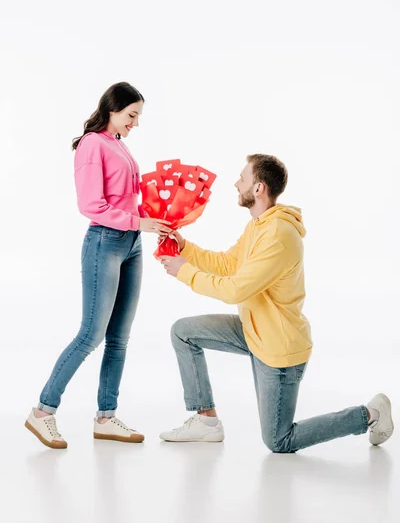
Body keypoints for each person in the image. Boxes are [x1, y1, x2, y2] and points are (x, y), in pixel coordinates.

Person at [158, 154, 394, 451]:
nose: (236, 183)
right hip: (253, 331)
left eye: (242, 178)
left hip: (278, 349)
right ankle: (206, 422)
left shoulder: (279, 235)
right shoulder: (258, 225)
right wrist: (185, 248)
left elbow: (235, 290)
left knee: (279, 440)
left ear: (258, 188)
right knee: (183, 331)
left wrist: (185, 272)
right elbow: (229, 263)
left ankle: (370, 414)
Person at [25, 82, 171, 449]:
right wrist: (138, 222)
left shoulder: (119, 144)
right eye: (131, 115)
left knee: (119, 338)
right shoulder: (93, 145)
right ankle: (42, 412)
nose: (135, 123)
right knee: (91, 334)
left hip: (131, 245)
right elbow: (91, 205)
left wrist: (158, 220)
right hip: (104, 244)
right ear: (112, 109)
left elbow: (127, 200)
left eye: (138, 117)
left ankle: (106, 417)